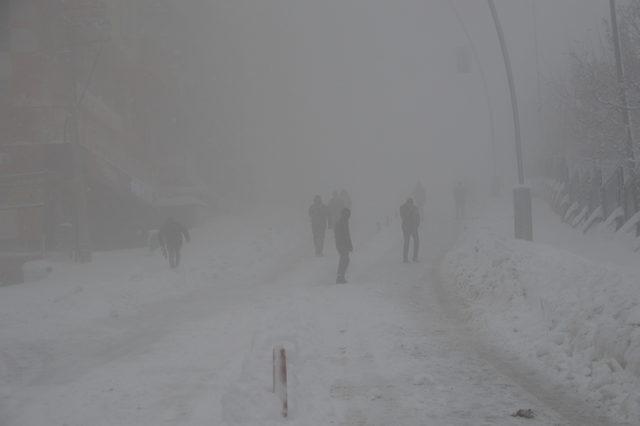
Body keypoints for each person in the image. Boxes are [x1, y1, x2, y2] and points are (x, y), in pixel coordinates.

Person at [334, 208, 353, 284]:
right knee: (344, 259)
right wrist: (348, 244)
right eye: (347, 214)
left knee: (345, 259)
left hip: (342, 244)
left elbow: (346, 235)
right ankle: (340, 277)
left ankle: (341, 276)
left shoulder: (344, 222)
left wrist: (349, 244)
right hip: (342, 244)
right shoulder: (341, 222)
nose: (348, 216)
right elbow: (345, 235)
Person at [400, 198, 420, 263]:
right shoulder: (402, 208)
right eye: (409, 203)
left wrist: (417, 225)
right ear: (406, 203)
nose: (410, 205)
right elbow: (404, 217)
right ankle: (405, 258)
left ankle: (415, 257)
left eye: (411, 203)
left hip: (413, 227)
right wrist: (410, 211)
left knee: (417, 241)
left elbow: (418, 217)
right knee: (406, 242)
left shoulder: (415, 208)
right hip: (406, 228)